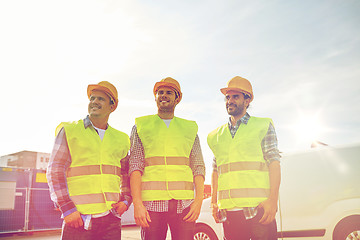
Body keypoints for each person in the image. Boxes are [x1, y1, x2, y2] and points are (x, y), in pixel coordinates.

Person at [47, 81, 131, 240]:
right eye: (92, 98)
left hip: (111, 218)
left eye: (100, 99)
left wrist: (126, 201)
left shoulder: (121, 139)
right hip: (78, 219)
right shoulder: (70, 130)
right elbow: (55, 170)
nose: (94, 102)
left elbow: (126, 173)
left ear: (112, 106)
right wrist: (67, 209)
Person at [129, 77, 205, 240]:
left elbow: (198, 167)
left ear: (177, 98)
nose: (164, 95)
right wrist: (137, 204)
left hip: (184, 205)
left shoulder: (189, 129)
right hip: (151, 206)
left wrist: (198, 201)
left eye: (169, 92)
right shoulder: (141, 126)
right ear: (155, 97)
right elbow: (135, 166)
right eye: (160, 92)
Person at [207, 76, 281, 240]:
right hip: (229, 214)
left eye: (235, 96)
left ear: (247, 100)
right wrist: (213, 203)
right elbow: (215, 171)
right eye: (228, 97)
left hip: (258, 210)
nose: (230, 101)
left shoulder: (262, 126)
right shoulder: (216, 135)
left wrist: (272, 201)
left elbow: (274, 164)